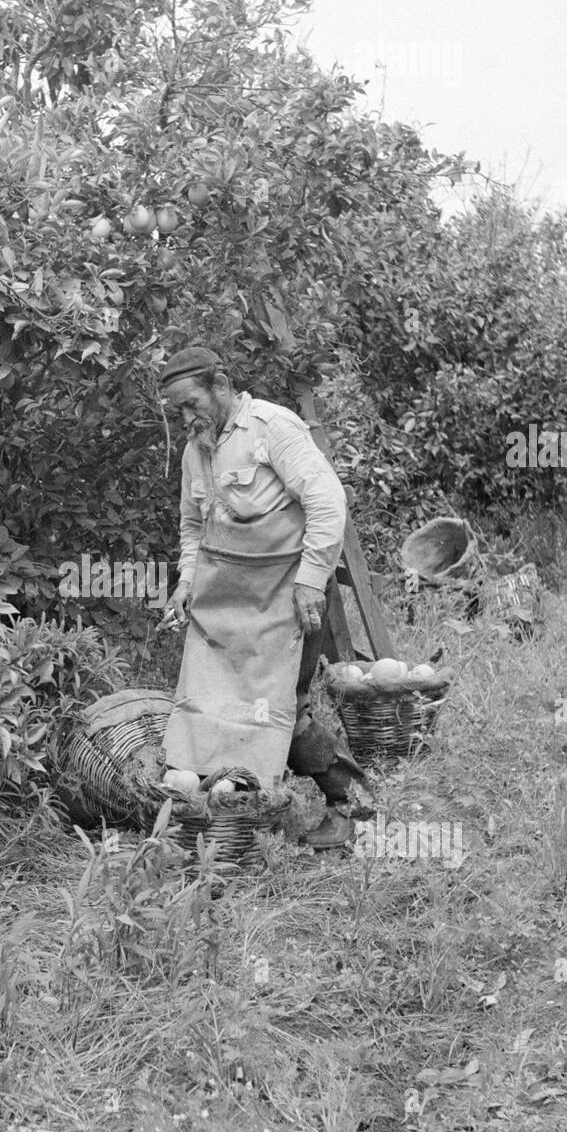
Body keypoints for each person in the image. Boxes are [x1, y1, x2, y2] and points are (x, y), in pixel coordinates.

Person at [159, 346, 370, 850]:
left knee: (278, 709)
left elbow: (327, 501)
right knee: (212, 708)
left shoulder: (274, 428)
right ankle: (228, 819)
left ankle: (350, 804)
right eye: (179, 411)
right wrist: (187, 581)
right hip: (222, 606)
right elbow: (193, 526)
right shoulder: (196, 450)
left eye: (192, 404)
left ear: (222, 384)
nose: (188, 419)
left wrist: (310, 582)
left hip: (285, 597)